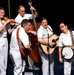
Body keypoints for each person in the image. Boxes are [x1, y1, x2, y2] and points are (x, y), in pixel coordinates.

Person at [14, 5, 39, 72]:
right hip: (21, 37)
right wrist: (31, 31)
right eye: (22, 11)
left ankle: (32, 66)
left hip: (28, 36)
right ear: (18, 11)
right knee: (23, 51)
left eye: (24, 11)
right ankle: (23, 69)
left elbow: (35, 16)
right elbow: (21, 30)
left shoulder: (26, 15)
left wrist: (34, 10)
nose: (23, 12)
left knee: (30, 50)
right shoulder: (17, 19)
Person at [0, 7, 16, 75]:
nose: (3, 14)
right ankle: (2, 73)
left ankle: (4, 72)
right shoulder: (4, 22)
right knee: (1, 58)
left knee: (5, 57)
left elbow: (9, 32)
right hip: (0, 39)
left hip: (5, 39)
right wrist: (5, 23)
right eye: (1, 13)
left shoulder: (5, 21)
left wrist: (14, 27)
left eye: (3, 13)